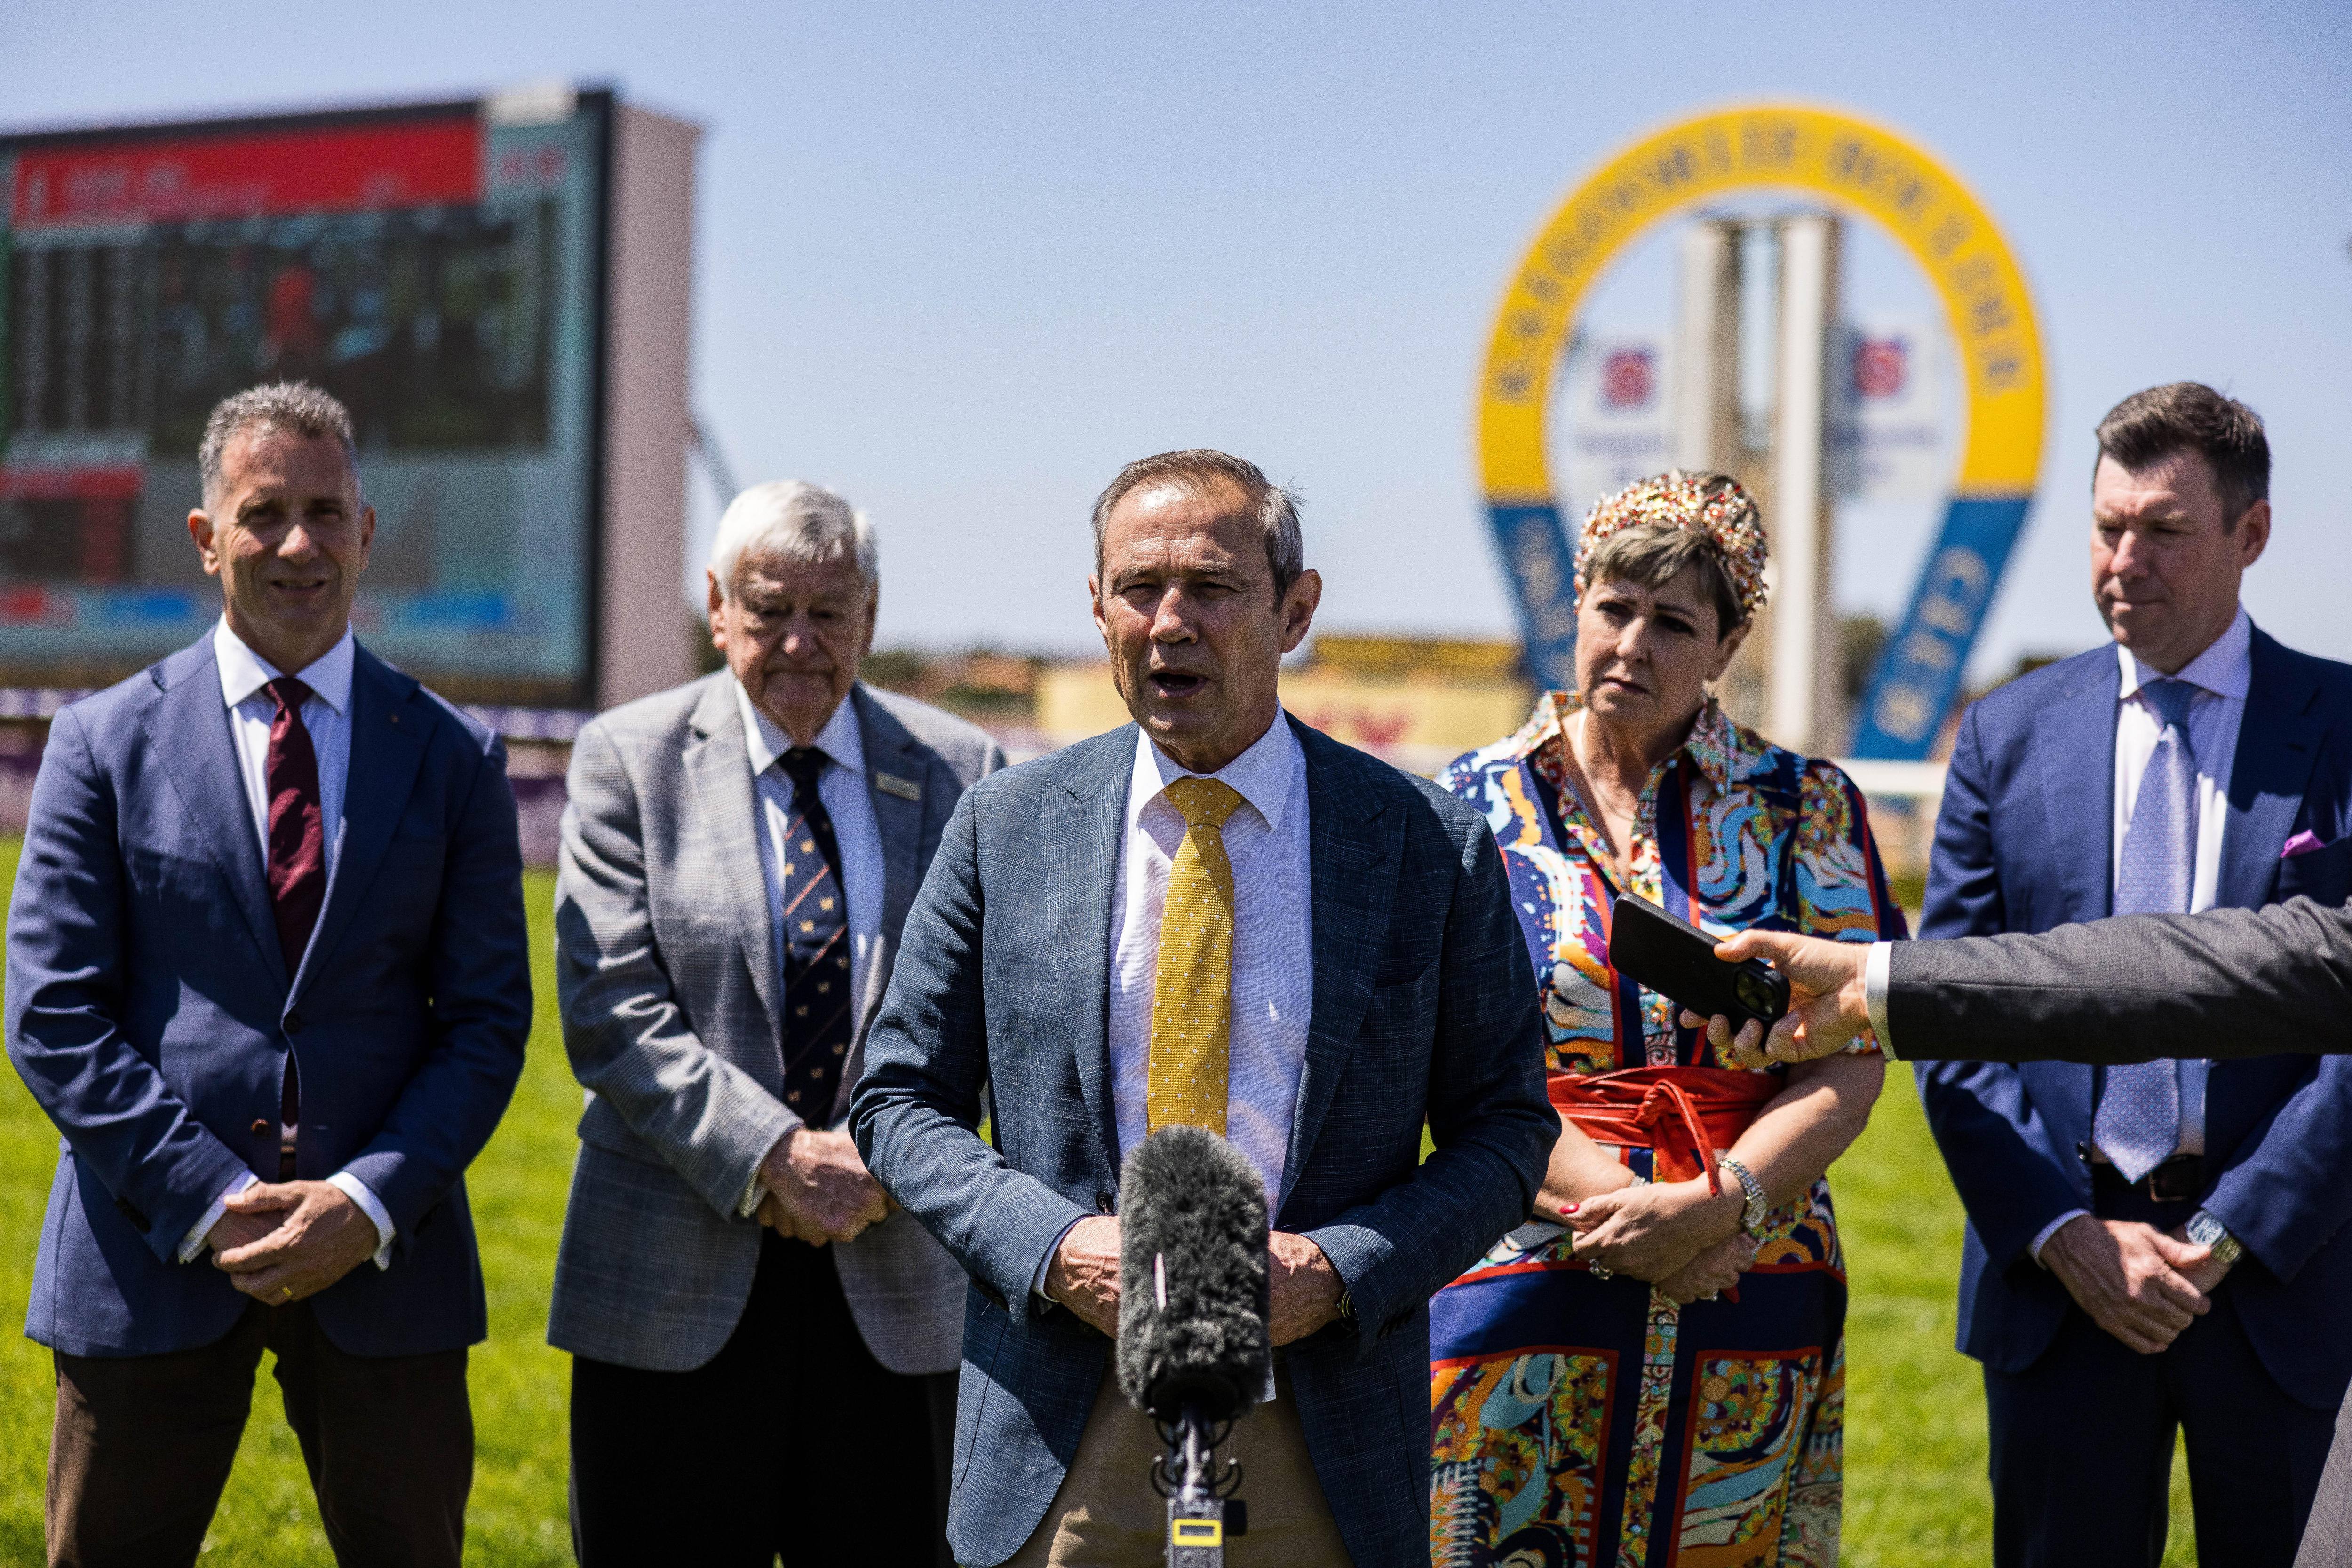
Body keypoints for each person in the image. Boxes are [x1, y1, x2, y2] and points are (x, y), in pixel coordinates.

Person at [850, 449, 1557, 1568]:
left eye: (1213, 587)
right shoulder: (1007, 824)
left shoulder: (1424, 843)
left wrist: (1337, 1271)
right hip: (1062, 1421)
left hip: (1319, 1430)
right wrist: (1056, 1248)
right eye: (1139, 588)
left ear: (1296, 609)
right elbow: (897, 1100)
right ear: (1097, 608)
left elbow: (1509, 1127)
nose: (1170, 621)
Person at [4, 381, 531, 1567]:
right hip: (150, 1251)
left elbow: (488, 1021)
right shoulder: (101, 743)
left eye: (326, 512)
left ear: (367, 529)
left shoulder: (453, 756)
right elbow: (53, 1011)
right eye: (264, 513)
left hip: (384, 1269)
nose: (300, 543)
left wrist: (365, 1200)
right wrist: (208, 1195)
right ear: (206, 538)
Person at [1426, 471, 1904, 1564]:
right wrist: (1639, 1212)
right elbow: (1452, 1065)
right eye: (1613, 607)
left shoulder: (1806, 806)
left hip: (1750, 1257)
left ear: (1727, 645)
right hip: (1531, 1248)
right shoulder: (1467, 804)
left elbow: (1854, 1057)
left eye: (1673, 620)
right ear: (1577, 607)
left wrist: (1719, 1206)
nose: (1632, 643)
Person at [1910, 382, 2352, 1564]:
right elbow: (1954, 1009)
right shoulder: (2004, 731)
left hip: (2279, 1282)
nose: (2123, 559)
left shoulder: (2345, 725)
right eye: (2106, 526)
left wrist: (2232, 1231)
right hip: (2061, 1287)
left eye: (2163, 529)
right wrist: (2061, 1230)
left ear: (2250, 535)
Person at [548, 481, 1005, 1565]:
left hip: (899, 1294)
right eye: (767, 610)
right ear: (716, 608)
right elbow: (610, 1004)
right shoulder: (628, 757)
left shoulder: (963, 773)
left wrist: (882, 1157)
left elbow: (995, 1012)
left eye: (829, 611)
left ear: (871, 616)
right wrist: (775, 1157)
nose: (798, 641)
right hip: (667, 1278)